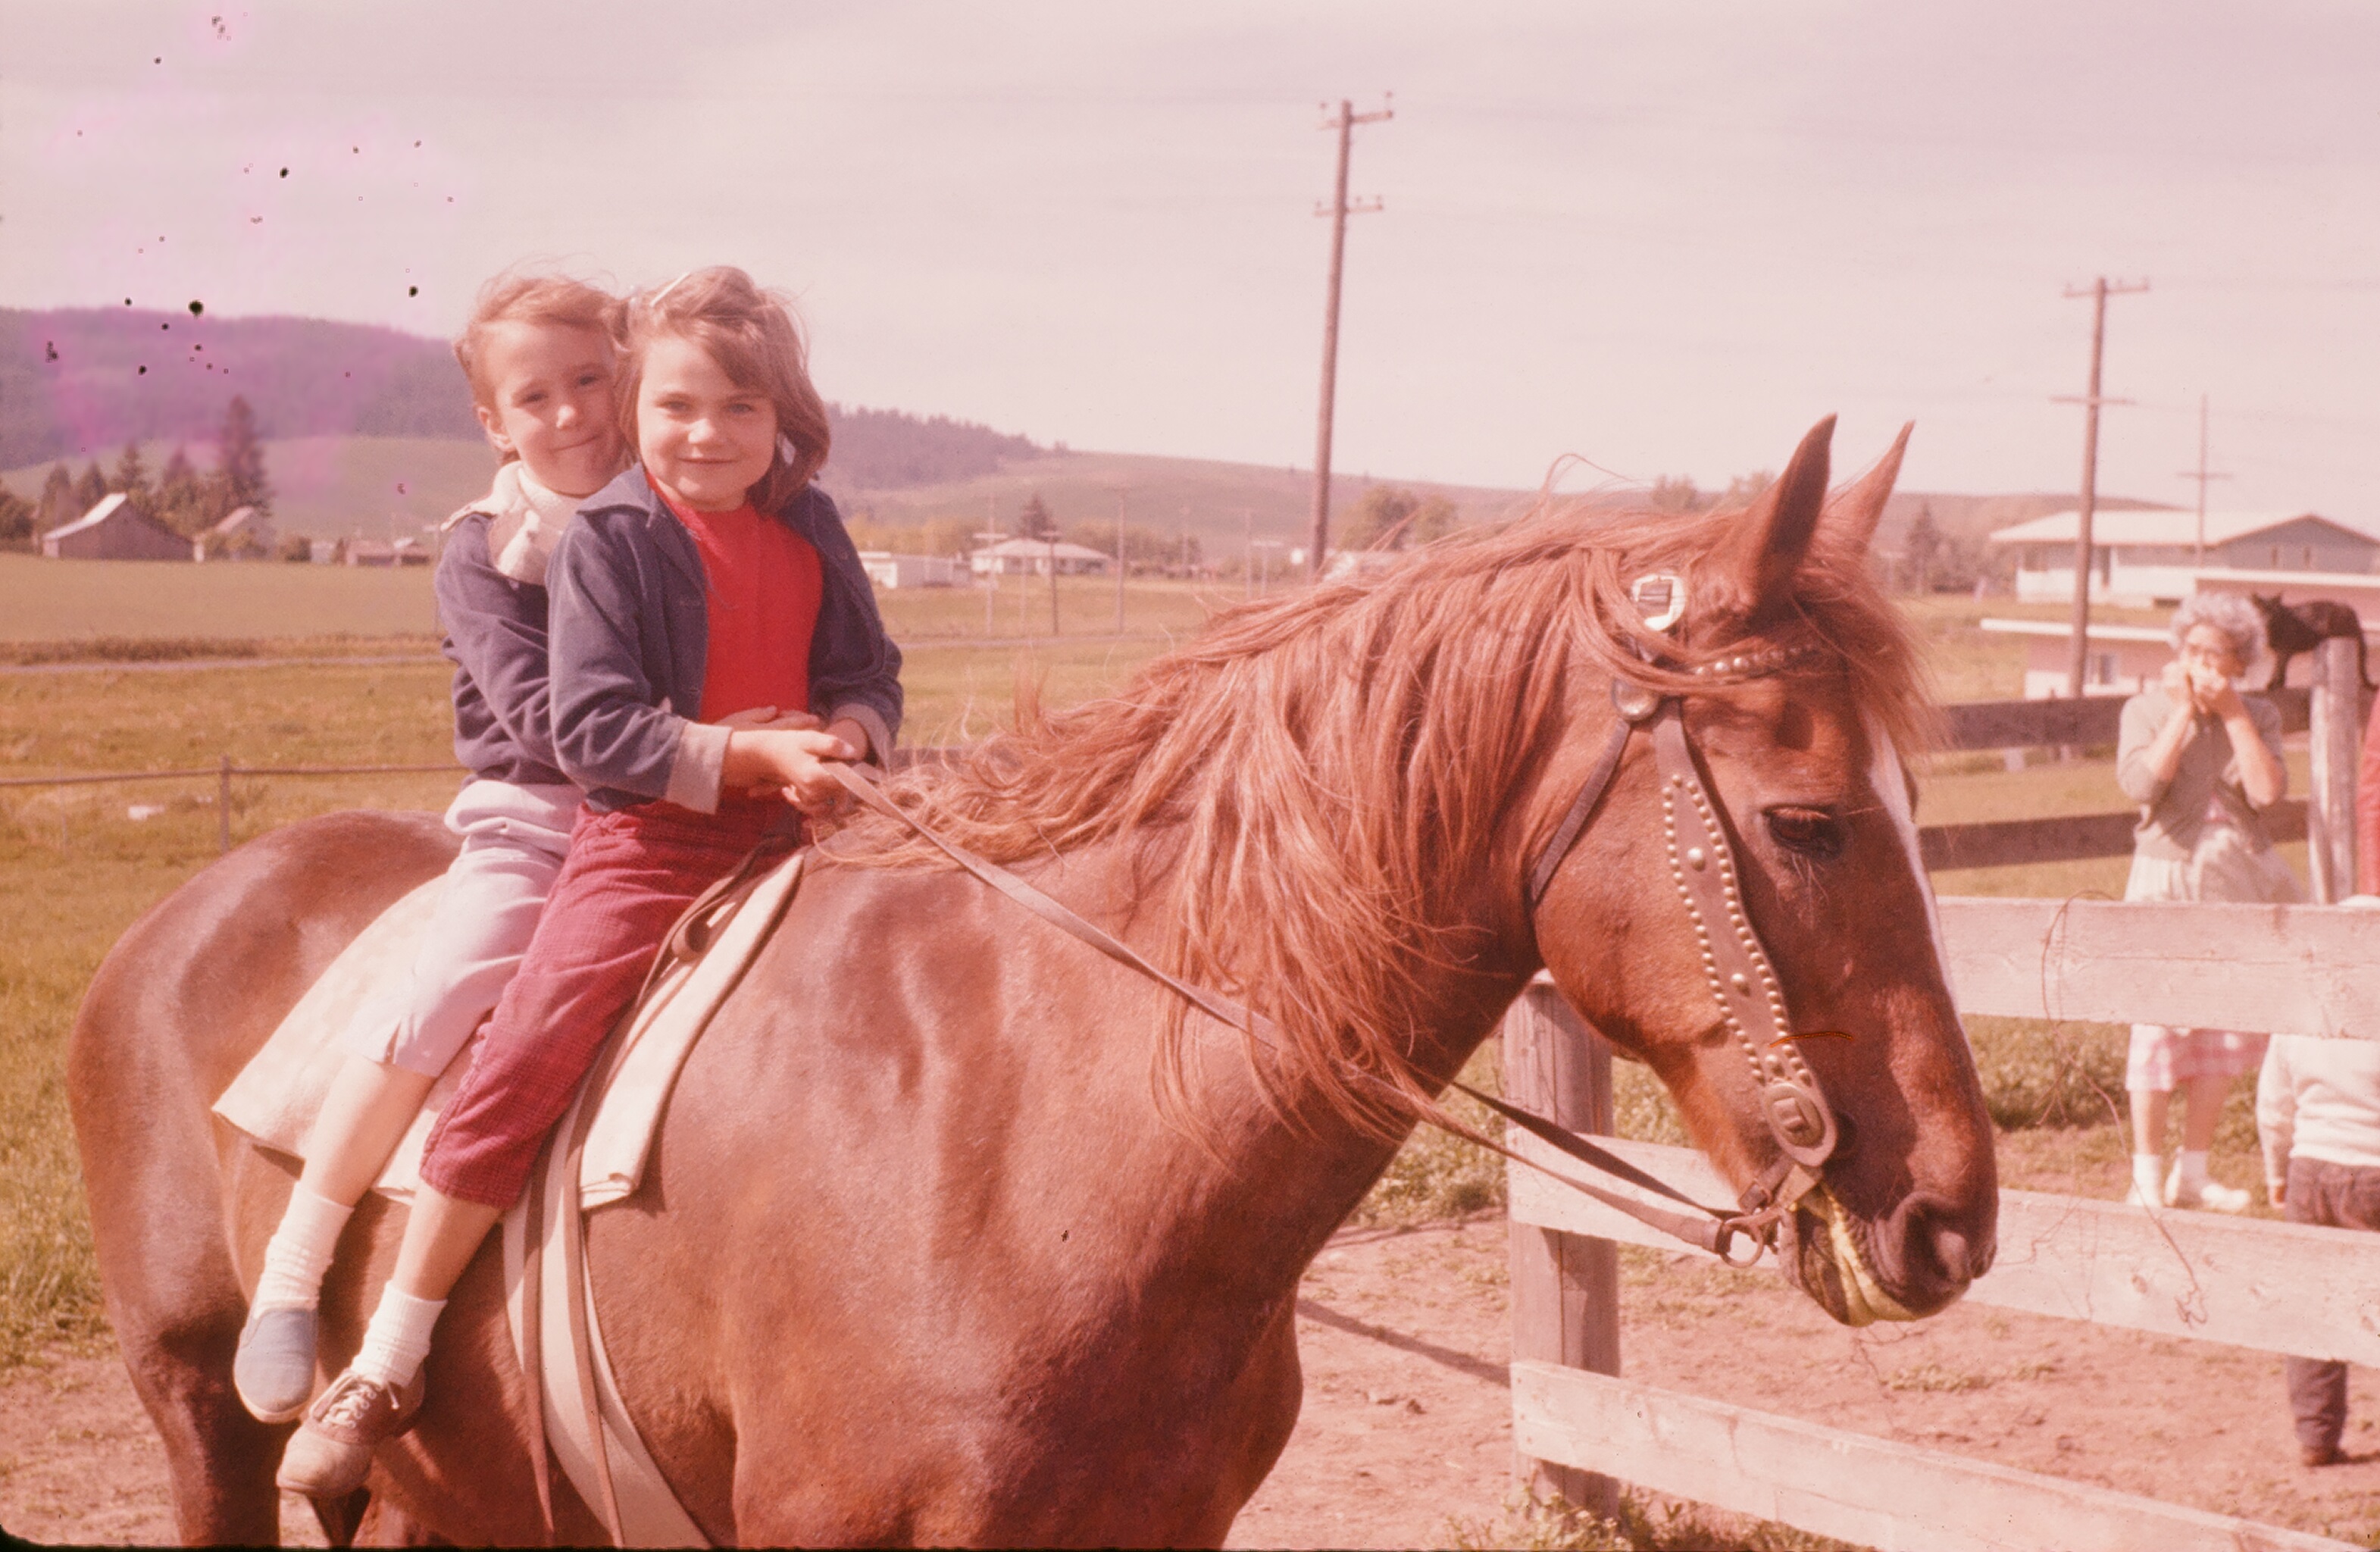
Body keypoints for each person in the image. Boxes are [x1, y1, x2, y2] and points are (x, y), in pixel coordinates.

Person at [278, 266, 903, 1497]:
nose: (705, 434)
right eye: (675, 407)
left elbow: (866, 663)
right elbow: (593, 733)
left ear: (786, 421)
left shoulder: (812, 524)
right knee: (528, 1043)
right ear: (636, 407)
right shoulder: (616, 536)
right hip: (652, 842)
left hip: (803, 825)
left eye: (738, 410)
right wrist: (750, 753)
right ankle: (393, 1346)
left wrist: (855, 734)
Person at [234, 273, 630, 1424]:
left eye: (590, 379)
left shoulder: (671, 517)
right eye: (537, 396)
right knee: (451, 986)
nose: (572, 414)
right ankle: (295, 1273)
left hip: (680, 816)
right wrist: (700, 749)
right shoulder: (487, 552)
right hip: (545, 817)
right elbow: (544, 720)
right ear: (495, 423)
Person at [2116, 591, 2298, 1212]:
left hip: (2233, 880)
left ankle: (2192, 1172)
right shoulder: (2142, 709)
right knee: (2156, 1028)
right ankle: (2145, 1174)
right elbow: (2141, 785)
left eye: (2214, 654)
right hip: (2164, 877)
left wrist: (2232, 715)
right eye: (2191, 651)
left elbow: (2266, 792)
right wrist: (2181, 716)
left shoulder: (2259, 714)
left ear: (2237, 662)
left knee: (2219, 1030)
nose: (2200, 664)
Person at [2258, 1029, 2380, 1466]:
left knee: (2313, 1306)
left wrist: (2276, 1172)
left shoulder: (2299, 1018)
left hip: (2310, 1169)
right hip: (2374, 1169)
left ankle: (2316, 1435)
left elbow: (2274, 1104)